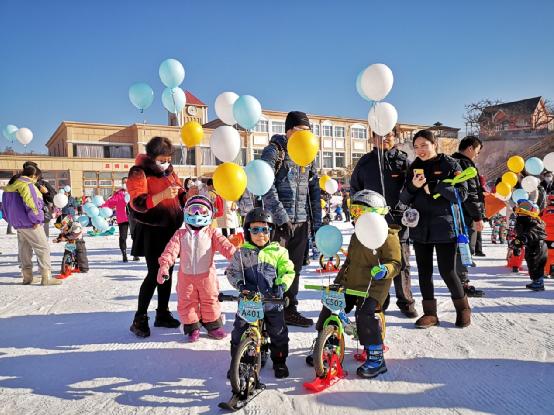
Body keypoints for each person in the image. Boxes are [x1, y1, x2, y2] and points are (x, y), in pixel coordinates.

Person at [309, 190, 401, 378]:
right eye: (354, 211)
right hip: (351, 283)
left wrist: (385, 269)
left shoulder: (388, 235)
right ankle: (323, 340)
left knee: (365, 315)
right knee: (330, 304)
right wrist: (336, 284)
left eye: (361, 212)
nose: (356, 216)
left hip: (374, 287)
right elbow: (349, 263)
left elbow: (396, 263)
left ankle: (376, 356)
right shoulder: (357, 235)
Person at [399, 129, 471, 328]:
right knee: (424, 272)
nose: (420, 150)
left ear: (434, 144)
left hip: (444, 227)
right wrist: (413, 187)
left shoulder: (449, 164)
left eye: (424, 145)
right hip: (420, 227)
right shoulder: (413, 167)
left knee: (447, 271)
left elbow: (461, 194)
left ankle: (463, 309)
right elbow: (404, 199)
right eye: (416, 147)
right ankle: (430, 314)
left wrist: (437, 186)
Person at [261, 111, 322, 327]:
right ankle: (270, 312)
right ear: (288, 131)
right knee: (273, 267)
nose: (304, 135)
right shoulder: (274, 151)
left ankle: (289, 309)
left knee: (294, 269)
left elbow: (315, 190)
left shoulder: (309, 153)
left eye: (307, 131)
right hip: (278, 222)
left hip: (301, 221)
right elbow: (265, 184)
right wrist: (280, 216)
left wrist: (317, 224)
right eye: (298, 130)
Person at [350, 128, 417, 317]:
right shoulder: (364, 163)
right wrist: (356, 216)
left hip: (397, 223)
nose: (385, 139)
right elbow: (355, 190)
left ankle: (405, 301)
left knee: (401, 263)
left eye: (389, 135)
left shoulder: (404, 161)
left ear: (395, 137)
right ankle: (379, 299)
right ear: (372, 138)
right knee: (374, 262)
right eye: (380, 135)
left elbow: (413, 188)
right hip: (371, 223)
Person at [127, 136, 188, 338]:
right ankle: (139, 318)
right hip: (151, 231)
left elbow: (180, 193)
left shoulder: (169, 173)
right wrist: (161, 196)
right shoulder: (139, 172)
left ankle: (162, 313)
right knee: (155, 273)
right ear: (152, 157)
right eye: (162, 158)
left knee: (167, 271)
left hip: (170, 230)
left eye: (169, 158)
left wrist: (189, 195)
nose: (166, 162)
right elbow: (137, 203)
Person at [226, 207, 295, 378]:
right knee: (239, 331)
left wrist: (281, 285)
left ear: (271, 231)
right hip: (249, 302)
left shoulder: (279, 252)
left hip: (272, 301)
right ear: (248, 231)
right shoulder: (242, 253)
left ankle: (279, 360)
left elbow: (288, 271)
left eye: (264, 229)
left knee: (278, 331)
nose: (260, 234)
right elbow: (232, 272)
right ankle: (238, 361)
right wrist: (240, 285)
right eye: (255, 230)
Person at [157, 195, 236, 341]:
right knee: (187, 301)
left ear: (209, 214)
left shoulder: (212, 233)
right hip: (186, 277)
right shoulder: (180, 234)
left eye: (202, 211)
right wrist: (164, 265)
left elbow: (225, 246)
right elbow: (170, 251)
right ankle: (192, 327)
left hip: (207, 276)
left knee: (210, 299)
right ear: (187, 212)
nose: (197, 214)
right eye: (194, 210)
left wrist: (236, 258)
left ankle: (213, 326)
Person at [1, 164, 61, 285]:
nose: (37, 180)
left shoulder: (10, 186)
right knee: (43, 248)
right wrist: (37, 220)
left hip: (19, 224)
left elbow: (4, 207)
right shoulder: (28, 185)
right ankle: (46, 277)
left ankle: (27, 277)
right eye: (37, 177)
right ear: (33, 175)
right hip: (30, 223)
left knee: (24, 250)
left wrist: (11, 220)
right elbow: (32, 204)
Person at [451, 136, 486, 297]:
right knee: (464, 249)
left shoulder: (451, 162)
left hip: (455, 214)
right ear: (470, 148)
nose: (477, 155)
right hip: (465, 216)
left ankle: (459, 281)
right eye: (477, 152)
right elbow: (470, 194)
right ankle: (462, 284)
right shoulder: (465, 165)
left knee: (458, 250)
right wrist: (478, 217)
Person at [512, 200, 547, 291]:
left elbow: (532, 233)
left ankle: (539, 282)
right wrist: (517, 246)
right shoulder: (522, 221)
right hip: (531, 245)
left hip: (538, 246)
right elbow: (520, 235)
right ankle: (536, 280)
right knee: (531, 262)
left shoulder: (535, 222)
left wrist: (524, 239)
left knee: (536, 263)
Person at [102, 177, 138, 262]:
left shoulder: (134, 193)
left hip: (133, 218)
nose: (125, 184)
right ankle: (124, 254)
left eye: (127, 182)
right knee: (123, 237)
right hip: (123, 218)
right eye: (123, 182)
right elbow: (110, 203)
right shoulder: (118, 194)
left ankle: (135, 254)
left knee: (136, 236)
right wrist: (102, 206)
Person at [22, 161, 56, 238]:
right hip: (25, 217)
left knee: (43, 242)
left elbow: (53, 198)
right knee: (27, 245)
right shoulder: (20, 184)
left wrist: (46, 192)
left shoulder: (43, 184)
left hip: (42, 216)